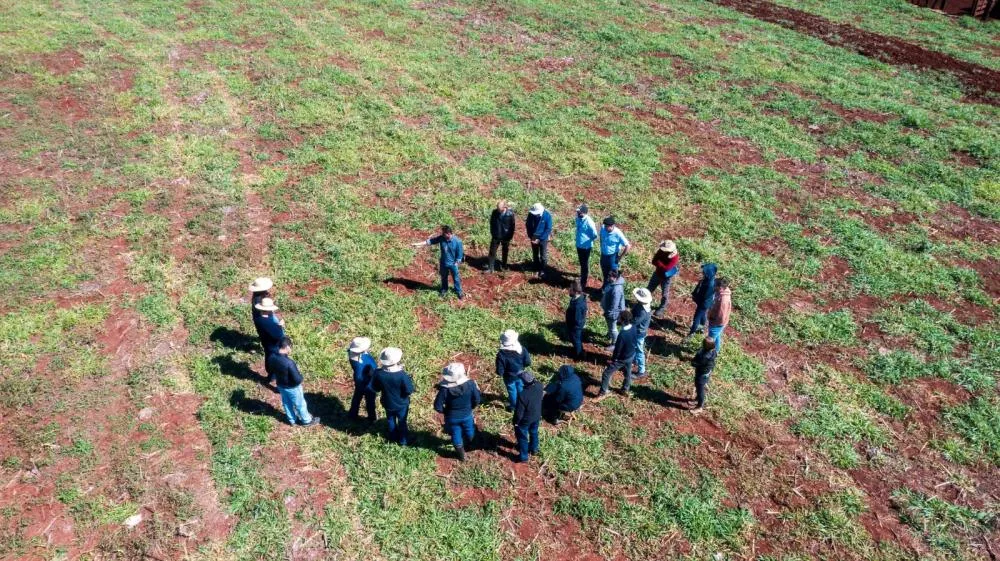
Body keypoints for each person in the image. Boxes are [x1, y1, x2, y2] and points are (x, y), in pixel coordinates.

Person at [265, 337, 320, 427]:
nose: (291, 349)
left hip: (280, 385)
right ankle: (307, 421)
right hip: (292, 387)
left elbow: (271, 369)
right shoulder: (289, 363)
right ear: (287, 347)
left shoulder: (272, 357)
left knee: (286, 403)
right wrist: (301, 377)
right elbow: (297, 379)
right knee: (300, 404)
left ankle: (292, 420)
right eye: (291, 347)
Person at [433, 362, 482, 461]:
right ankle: (470, 445)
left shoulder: (444, 390)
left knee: (456, 433)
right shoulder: (471, 384)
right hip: (467, 414)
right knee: (469, 429)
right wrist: (471, 407)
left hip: (452, 417)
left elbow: (437, 406)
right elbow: (477, 399)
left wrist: (446, 412)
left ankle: (461, 455)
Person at [369, 347, 415, 446]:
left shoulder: (378, 373)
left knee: (390, 419)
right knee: (402, 422)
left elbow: (375, 388)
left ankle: (393, 437)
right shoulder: (402, 375)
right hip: (401, 403)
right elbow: (409, 390)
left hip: (387, 402)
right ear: (396, 361)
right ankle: (403, 441)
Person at [412, 225, 465, 299]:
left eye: (444, 233)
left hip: (453, 264)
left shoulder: (457, 241)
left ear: (449, 233)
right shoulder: (442, 238)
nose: (442, 234)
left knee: (456, 278)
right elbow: (430, 241)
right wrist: (418, 244)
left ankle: (458, 291)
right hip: (443, 263)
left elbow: (460, 255)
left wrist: (456, 263)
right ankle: (444, 290)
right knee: (443, 277)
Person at [596, 309, 637, 401]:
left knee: (606, 373)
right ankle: (625, 389)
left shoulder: (622, 335)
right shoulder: (634, 327)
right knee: (628, 373)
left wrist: (614, 359)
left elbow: (618, 350)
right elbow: (635, 340)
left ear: (622, 320)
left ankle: (603, 392)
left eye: (619, 318)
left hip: (622, 358)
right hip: (631, 355)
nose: (618, 319)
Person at [495, 329, 531, 411]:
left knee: (512, 390)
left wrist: (500, 373)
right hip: (521, 374)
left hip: (509, 377)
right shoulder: (521, 349)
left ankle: (514, 406)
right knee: (520, 387)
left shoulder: (501, 354)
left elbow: (500, 369)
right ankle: (522, 403)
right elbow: (528, 362)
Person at [253, 297, 286, 386]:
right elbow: (279, 335)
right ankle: (275, 378)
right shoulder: (269, 322)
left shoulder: (258, 318)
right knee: (277, 362)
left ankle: (271, 376)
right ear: (268, 310)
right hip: (274, 345)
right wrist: (281, 326)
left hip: (266, 342)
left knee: (268, 357)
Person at [512, 370, 543, 462]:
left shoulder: (523, 395)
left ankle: (524, 457)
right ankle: (534, 449)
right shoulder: (539, 385)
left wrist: (515, 422)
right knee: (534, 432)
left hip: (526, 420)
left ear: (523, 382)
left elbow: (519, 413)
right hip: (537, 415)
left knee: (522, 437)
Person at [684, 263, 718, 342]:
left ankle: (691, 334)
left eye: (704, 272)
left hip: (703, 303)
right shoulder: (709, 279)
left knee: (696, 318)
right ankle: (702, 327)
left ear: (709, 273)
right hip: (705, 303)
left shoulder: (710, 284)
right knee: (703, 314)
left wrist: (695, 297)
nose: (703, 272)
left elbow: (704, 296)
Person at [347, 337, 377, 422]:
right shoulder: (359, 365)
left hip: (361, 383)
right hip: (367, 385)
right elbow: (359, 377)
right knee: (370, 402)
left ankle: (352, 414)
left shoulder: (352, 354)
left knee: (357, 397)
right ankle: (372, 418)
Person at [648, 241, 679, 319]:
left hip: (666, 277)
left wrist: (659, 262)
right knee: (649, 289)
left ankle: (662, 308)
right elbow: (653, 261)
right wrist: (661, 265)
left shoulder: (674, 257)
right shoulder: (661, 250)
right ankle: (645, 302)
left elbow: (666, 269)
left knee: (665, 294)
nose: (664, 251)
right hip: (657, 273)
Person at [598, 216, 631, 286]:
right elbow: (601, 236)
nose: (605, 228)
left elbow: (628, 246)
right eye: (605, 226)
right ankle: (604, 288)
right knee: (605, 272)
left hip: (613, 257)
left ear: (612, 226)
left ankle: (611, 289)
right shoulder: (603, 228)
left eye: (607, 227)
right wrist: (601, 246)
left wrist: (620, 257)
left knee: (612, 275)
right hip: (603, 255)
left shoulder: (618, 233)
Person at [600, 268, 625, 350]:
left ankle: (615, 344)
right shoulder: (612, 283)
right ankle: (610, 335)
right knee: (611, 326)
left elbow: (614, 305)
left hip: (613, 313)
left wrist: (609, 313)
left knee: (613, 329)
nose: (608, 277)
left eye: (609, 276)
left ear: (615, 277)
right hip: (609, 310)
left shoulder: (616, 289)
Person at [525, 203, 553, 278]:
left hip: (543, 238)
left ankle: (542, 270)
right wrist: (531, 236)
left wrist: (540, 239)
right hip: (534, 236)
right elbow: (528, 225)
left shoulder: (547, 215)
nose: (535, 215)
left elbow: (548, 229)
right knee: (535, 253)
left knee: (543, 255)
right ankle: (536, 267)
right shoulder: (531, 214)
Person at [690, 337, 718, 412]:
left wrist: (692, 362)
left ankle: (699, 407)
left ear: (705, 346)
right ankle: (697, 399)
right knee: (699, 387)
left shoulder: (705, 356)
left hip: (702, 374)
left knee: (700, 389)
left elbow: (696, 364)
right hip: (707, 372)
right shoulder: (713, 351)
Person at [631, 288, 653, 378]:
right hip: (637, 331)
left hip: (639, 333)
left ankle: (641, 371)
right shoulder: (641, 306)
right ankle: (635, 360)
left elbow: (635, 321)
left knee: (639, 351)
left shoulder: (643, 312)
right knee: (635, 347)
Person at [574, 204, 598, 288]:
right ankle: (583, 275)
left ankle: (583, 282)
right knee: (582, 262)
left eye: (579, 212)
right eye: (577, 212)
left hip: (586, 246)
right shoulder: (578, 218)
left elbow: (595, 234)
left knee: (584, 263)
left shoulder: (589, 222)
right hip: (579, 244)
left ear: (584, 213)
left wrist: (588, 240)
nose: (578, 213)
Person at [488, 200, 515, 273]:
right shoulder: (494, 212)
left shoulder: (510, 214)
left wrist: (510, 236)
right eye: (498, 209)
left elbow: (512, 226)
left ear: (504, 207)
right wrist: (493, 233)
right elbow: (492, 223)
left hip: (506, 236)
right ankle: (490, 268)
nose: (498, 211)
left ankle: (504, 266)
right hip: (496, 235)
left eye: (500, 210)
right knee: (492, 251)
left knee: (505, 251)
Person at [706, 278, 731, 353]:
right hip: (717, 322)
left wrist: (713, 320)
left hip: (717, 323)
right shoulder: (721, 292)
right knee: (717, 336)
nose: (713, 286)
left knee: (710, 339)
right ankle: (716, 351)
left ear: (720, 287)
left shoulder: (723, 300)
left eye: (715, 285)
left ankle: (708, 353)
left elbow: (721, 315)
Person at [564, 281, 587, 358]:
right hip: (573, 325)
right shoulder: (576, 298)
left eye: (571, 289)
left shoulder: (578, 306)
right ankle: (579, 350)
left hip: (575, 327)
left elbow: (577, 320)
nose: (569, 290)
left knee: (576, 340)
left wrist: (573, 328)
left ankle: (579, 355)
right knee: (576, 339)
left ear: (576, 292)